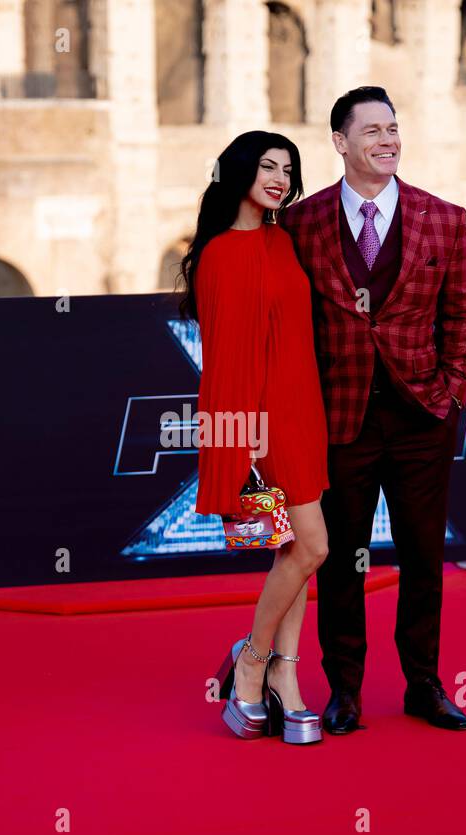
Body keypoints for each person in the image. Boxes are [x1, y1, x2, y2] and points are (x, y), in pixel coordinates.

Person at [278, 87, 466, 734]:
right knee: (341, 560)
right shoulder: (302, 224)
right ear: (340, 143)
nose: (388, 139)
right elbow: (293, 324)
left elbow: (460, 316)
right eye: (372, 131)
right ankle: (346, 693)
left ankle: (424, 684)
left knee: (423, 558)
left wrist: (451, 394)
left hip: (423, 417)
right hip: (340, 423)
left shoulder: (443, 219)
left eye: (393, 127)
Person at [179, 131, 330, 744]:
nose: (279, 177)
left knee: (292, 553)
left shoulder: (284, 242)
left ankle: (286, 678)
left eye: (288, 168)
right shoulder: (220, 254)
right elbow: (224, 364)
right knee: (312, 547)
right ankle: (252, 660)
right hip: (259, 430)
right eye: (267, 166)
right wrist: (243, 446)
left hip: (304, 416)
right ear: (239, 171)